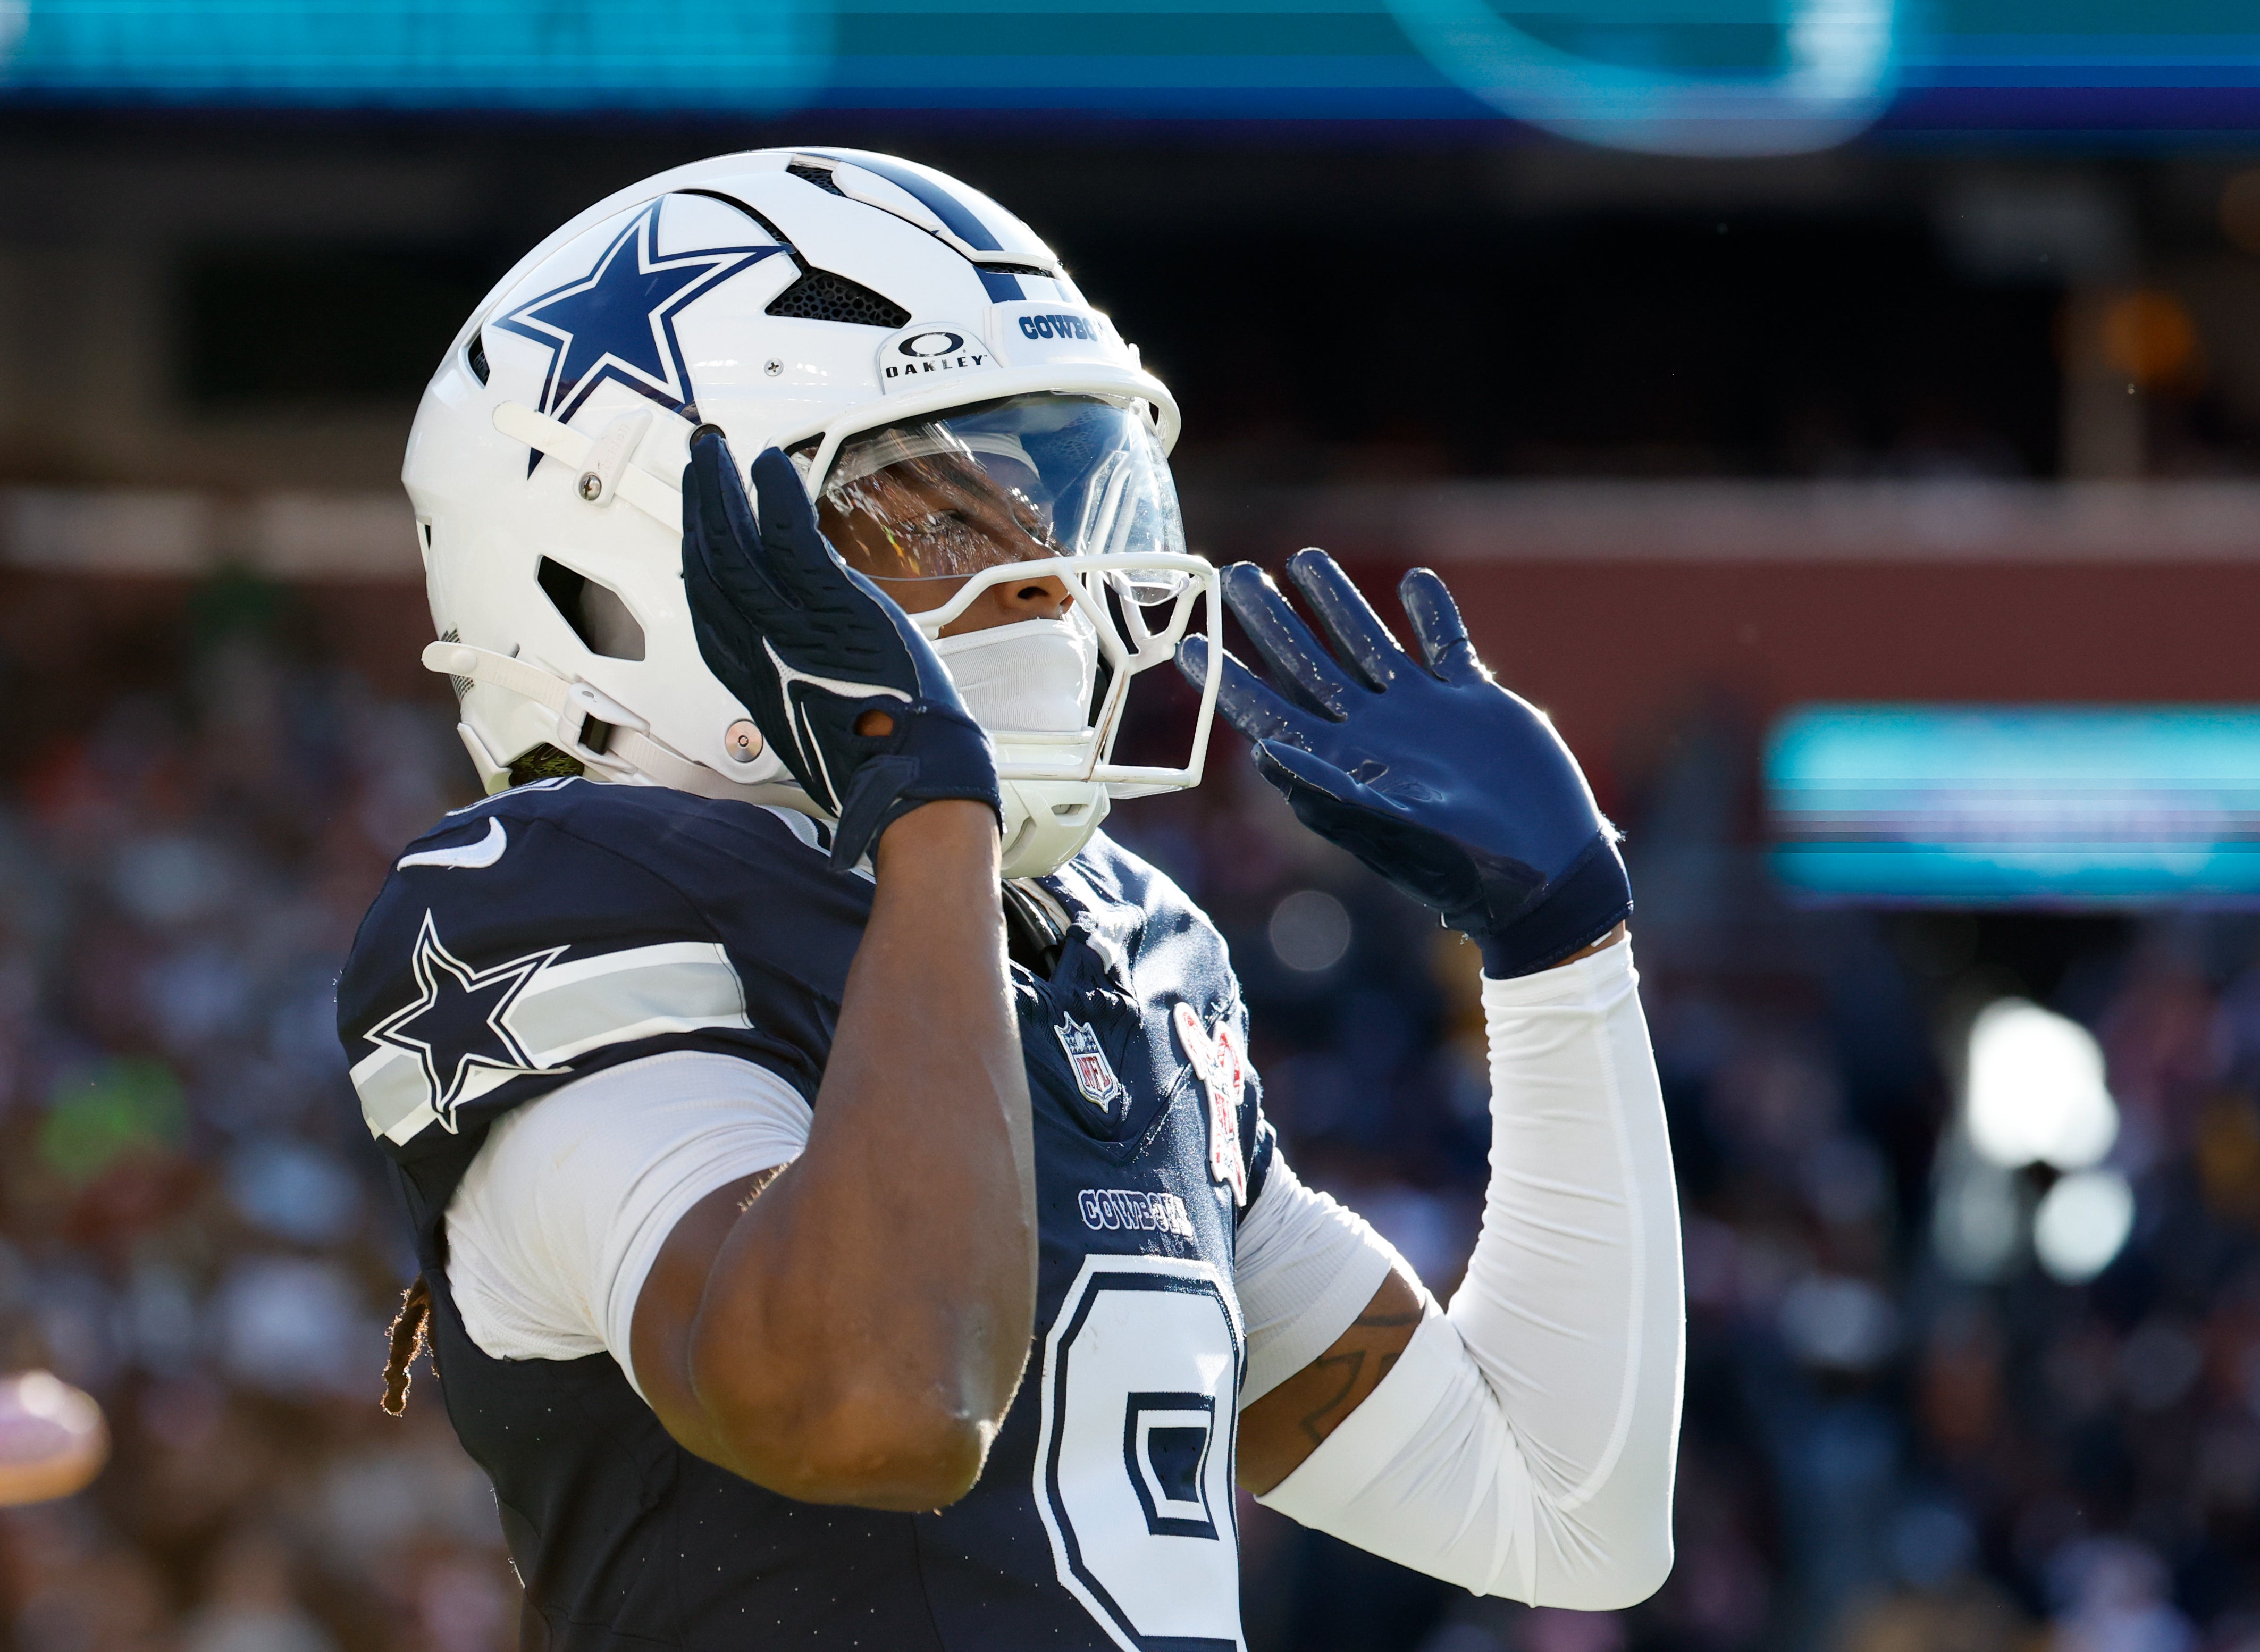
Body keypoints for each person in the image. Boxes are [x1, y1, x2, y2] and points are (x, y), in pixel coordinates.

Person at [340, 147, 1684, 1650]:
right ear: (617, 572)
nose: (1047, 581)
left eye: (1038, 499)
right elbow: (874, 1402)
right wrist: (928, 821)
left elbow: (1562, 1508)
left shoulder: (1111, 948)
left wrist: (1563, 947)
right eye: (924, 517)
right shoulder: (573, 903)